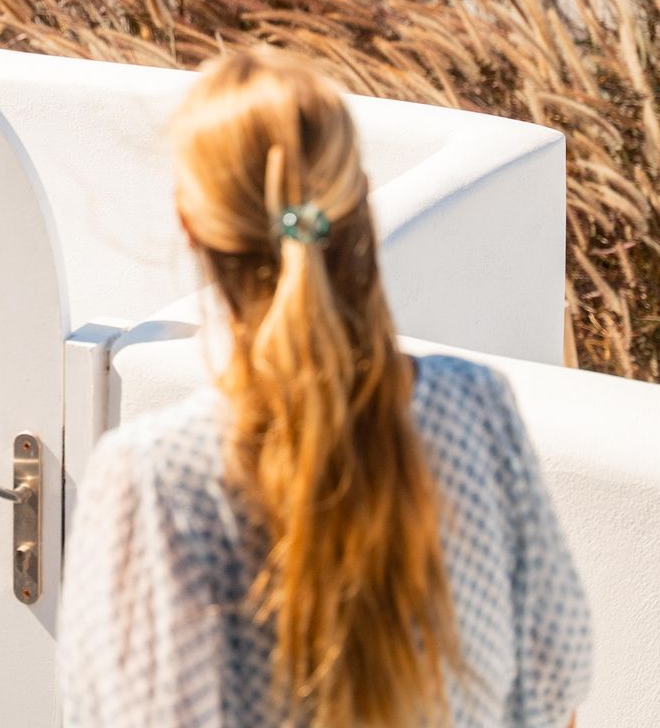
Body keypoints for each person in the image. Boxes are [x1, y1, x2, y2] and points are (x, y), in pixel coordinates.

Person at [59, 47, 591, 727]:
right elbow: (556, 694)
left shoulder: (152, 477)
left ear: (190, 223)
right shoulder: (475, 408)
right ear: (354, 198)